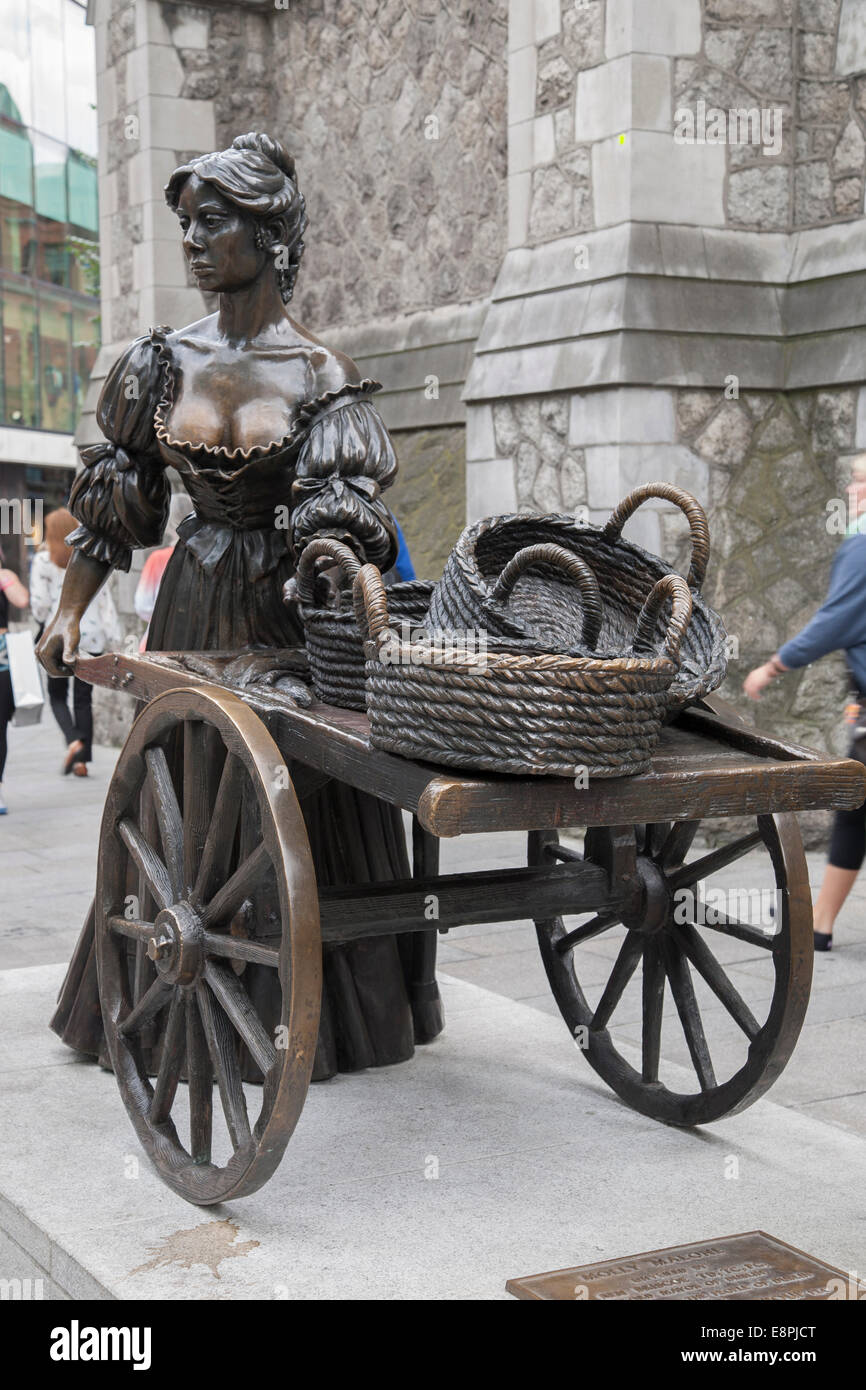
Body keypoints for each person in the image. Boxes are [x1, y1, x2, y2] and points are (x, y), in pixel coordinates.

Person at [37, 132, 443, 1079]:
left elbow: (347, 527)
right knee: (184, 794)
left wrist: (339, 569)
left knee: (299, 798)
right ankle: (170, 983)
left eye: (214, 220)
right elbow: (115, 505)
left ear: (272, 236)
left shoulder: (321, 376)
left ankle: (316, 1015)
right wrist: (67, 612)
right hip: (191, 605)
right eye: (187, 221)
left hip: (288, 613)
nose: (194, 238)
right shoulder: (158, 363)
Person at [744, 455, 866, 951]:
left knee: (856, 809)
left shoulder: (861, 543)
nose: (851, 488)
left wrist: (774, 666)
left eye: (859, 480)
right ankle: (818, 921)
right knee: (856, 812)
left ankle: (818, 922)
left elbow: (836, 620)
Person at [30, 508, 121, 776]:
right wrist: (114, 638)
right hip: (90, 636)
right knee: (83, 700)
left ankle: (73, 740)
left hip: (57, 637)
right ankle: (81, 761)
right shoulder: (87, 560)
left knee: (57, 697)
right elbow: (106, 603)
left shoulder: (43, 561)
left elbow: (39, 606)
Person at [133, 492, 192, 649]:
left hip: (160, 640)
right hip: (196, 643)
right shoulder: (206, 558)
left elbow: (142, 605)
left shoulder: (158, 559)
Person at [0, 544, 31, 814]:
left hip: (2, 661)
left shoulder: (4, 575)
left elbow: (21, 600)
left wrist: (4, 576)